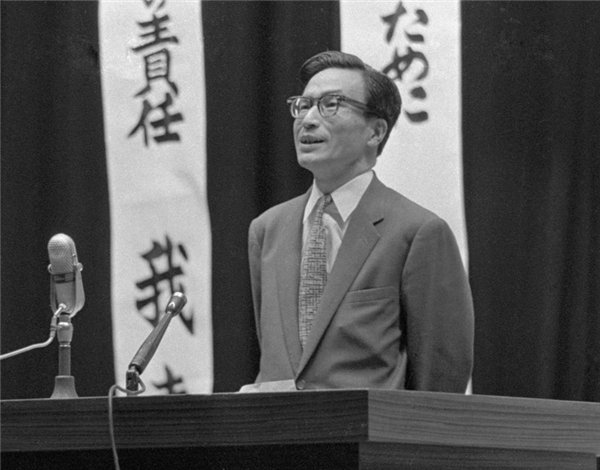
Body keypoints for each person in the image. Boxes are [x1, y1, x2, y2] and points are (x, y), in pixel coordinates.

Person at [246, 51, 474, 393]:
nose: (308, 119)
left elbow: (440, 378)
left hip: (369, 427)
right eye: (303, 105)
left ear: (375, 132)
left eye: (330, 105)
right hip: (280, 426)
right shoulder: (267, 230)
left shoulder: (416, 232)